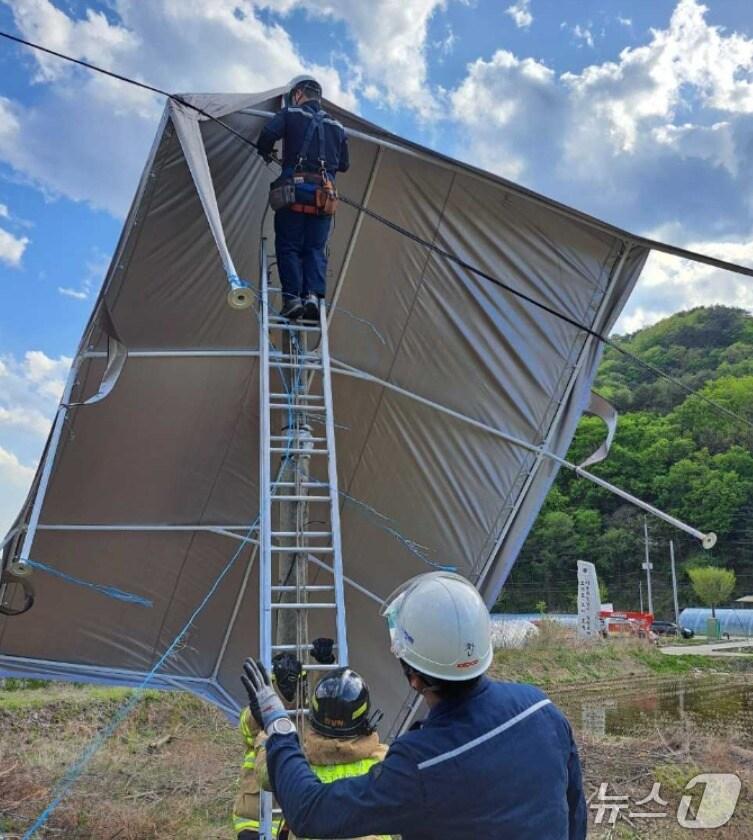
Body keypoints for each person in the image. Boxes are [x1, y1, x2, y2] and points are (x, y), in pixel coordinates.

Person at [243, 571, 588, 839]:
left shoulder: (421, 763)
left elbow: (309, 811)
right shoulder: (541, 710)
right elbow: (575, 812)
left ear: (414, 679)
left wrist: (277, 723)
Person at [252, 667, 390, 840]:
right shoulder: (386, 761)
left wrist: (271, 730)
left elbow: (267, 774)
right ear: (364, 715)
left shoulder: (300, 761)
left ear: (315, 715)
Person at [256, 75, 350, 322]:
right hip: (323, 198)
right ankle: (312, 299)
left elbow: (267, 135)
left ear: (297, 93)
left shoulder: (291, 114)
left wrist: (266, 152)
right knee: (315, 249)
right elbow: (344, 164)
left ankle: (293, 300)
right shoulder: (338, 127)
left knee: (288, 245)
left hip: (294, 193)